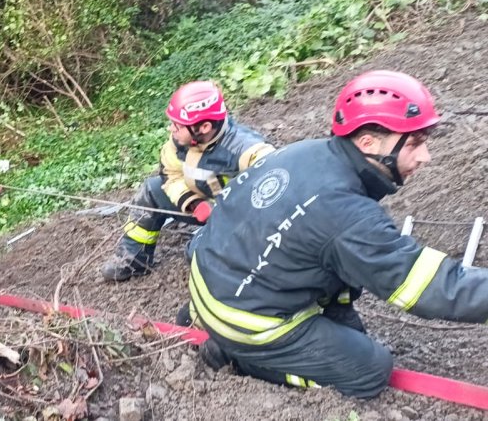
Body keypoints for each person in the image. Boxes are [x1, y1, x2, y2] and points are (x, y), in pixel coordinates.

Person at [181, 69, 488, 398]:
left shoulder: (306, 153)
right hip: (244, 319)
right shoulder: (345, 213)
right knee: (368, 371)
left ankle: (212, 321)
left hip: (211, 283)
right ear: (368, 142)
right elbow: (429, 288)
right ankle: (235, 354)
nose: (424, 156)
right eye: (413, 143)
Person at [100, 81, 275, 281]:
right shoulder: (180, 142)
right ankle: (133, 261)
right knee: (151, 190)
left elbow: (273, 203)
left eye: (178, 125)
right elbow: (171, 176)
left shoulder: (251, 151)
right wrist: (193, 203)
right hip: (206, 206)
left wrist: (226, 216)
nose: (171, 129)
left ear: (204, 127)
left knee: (196, 255)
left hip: (243, 222)